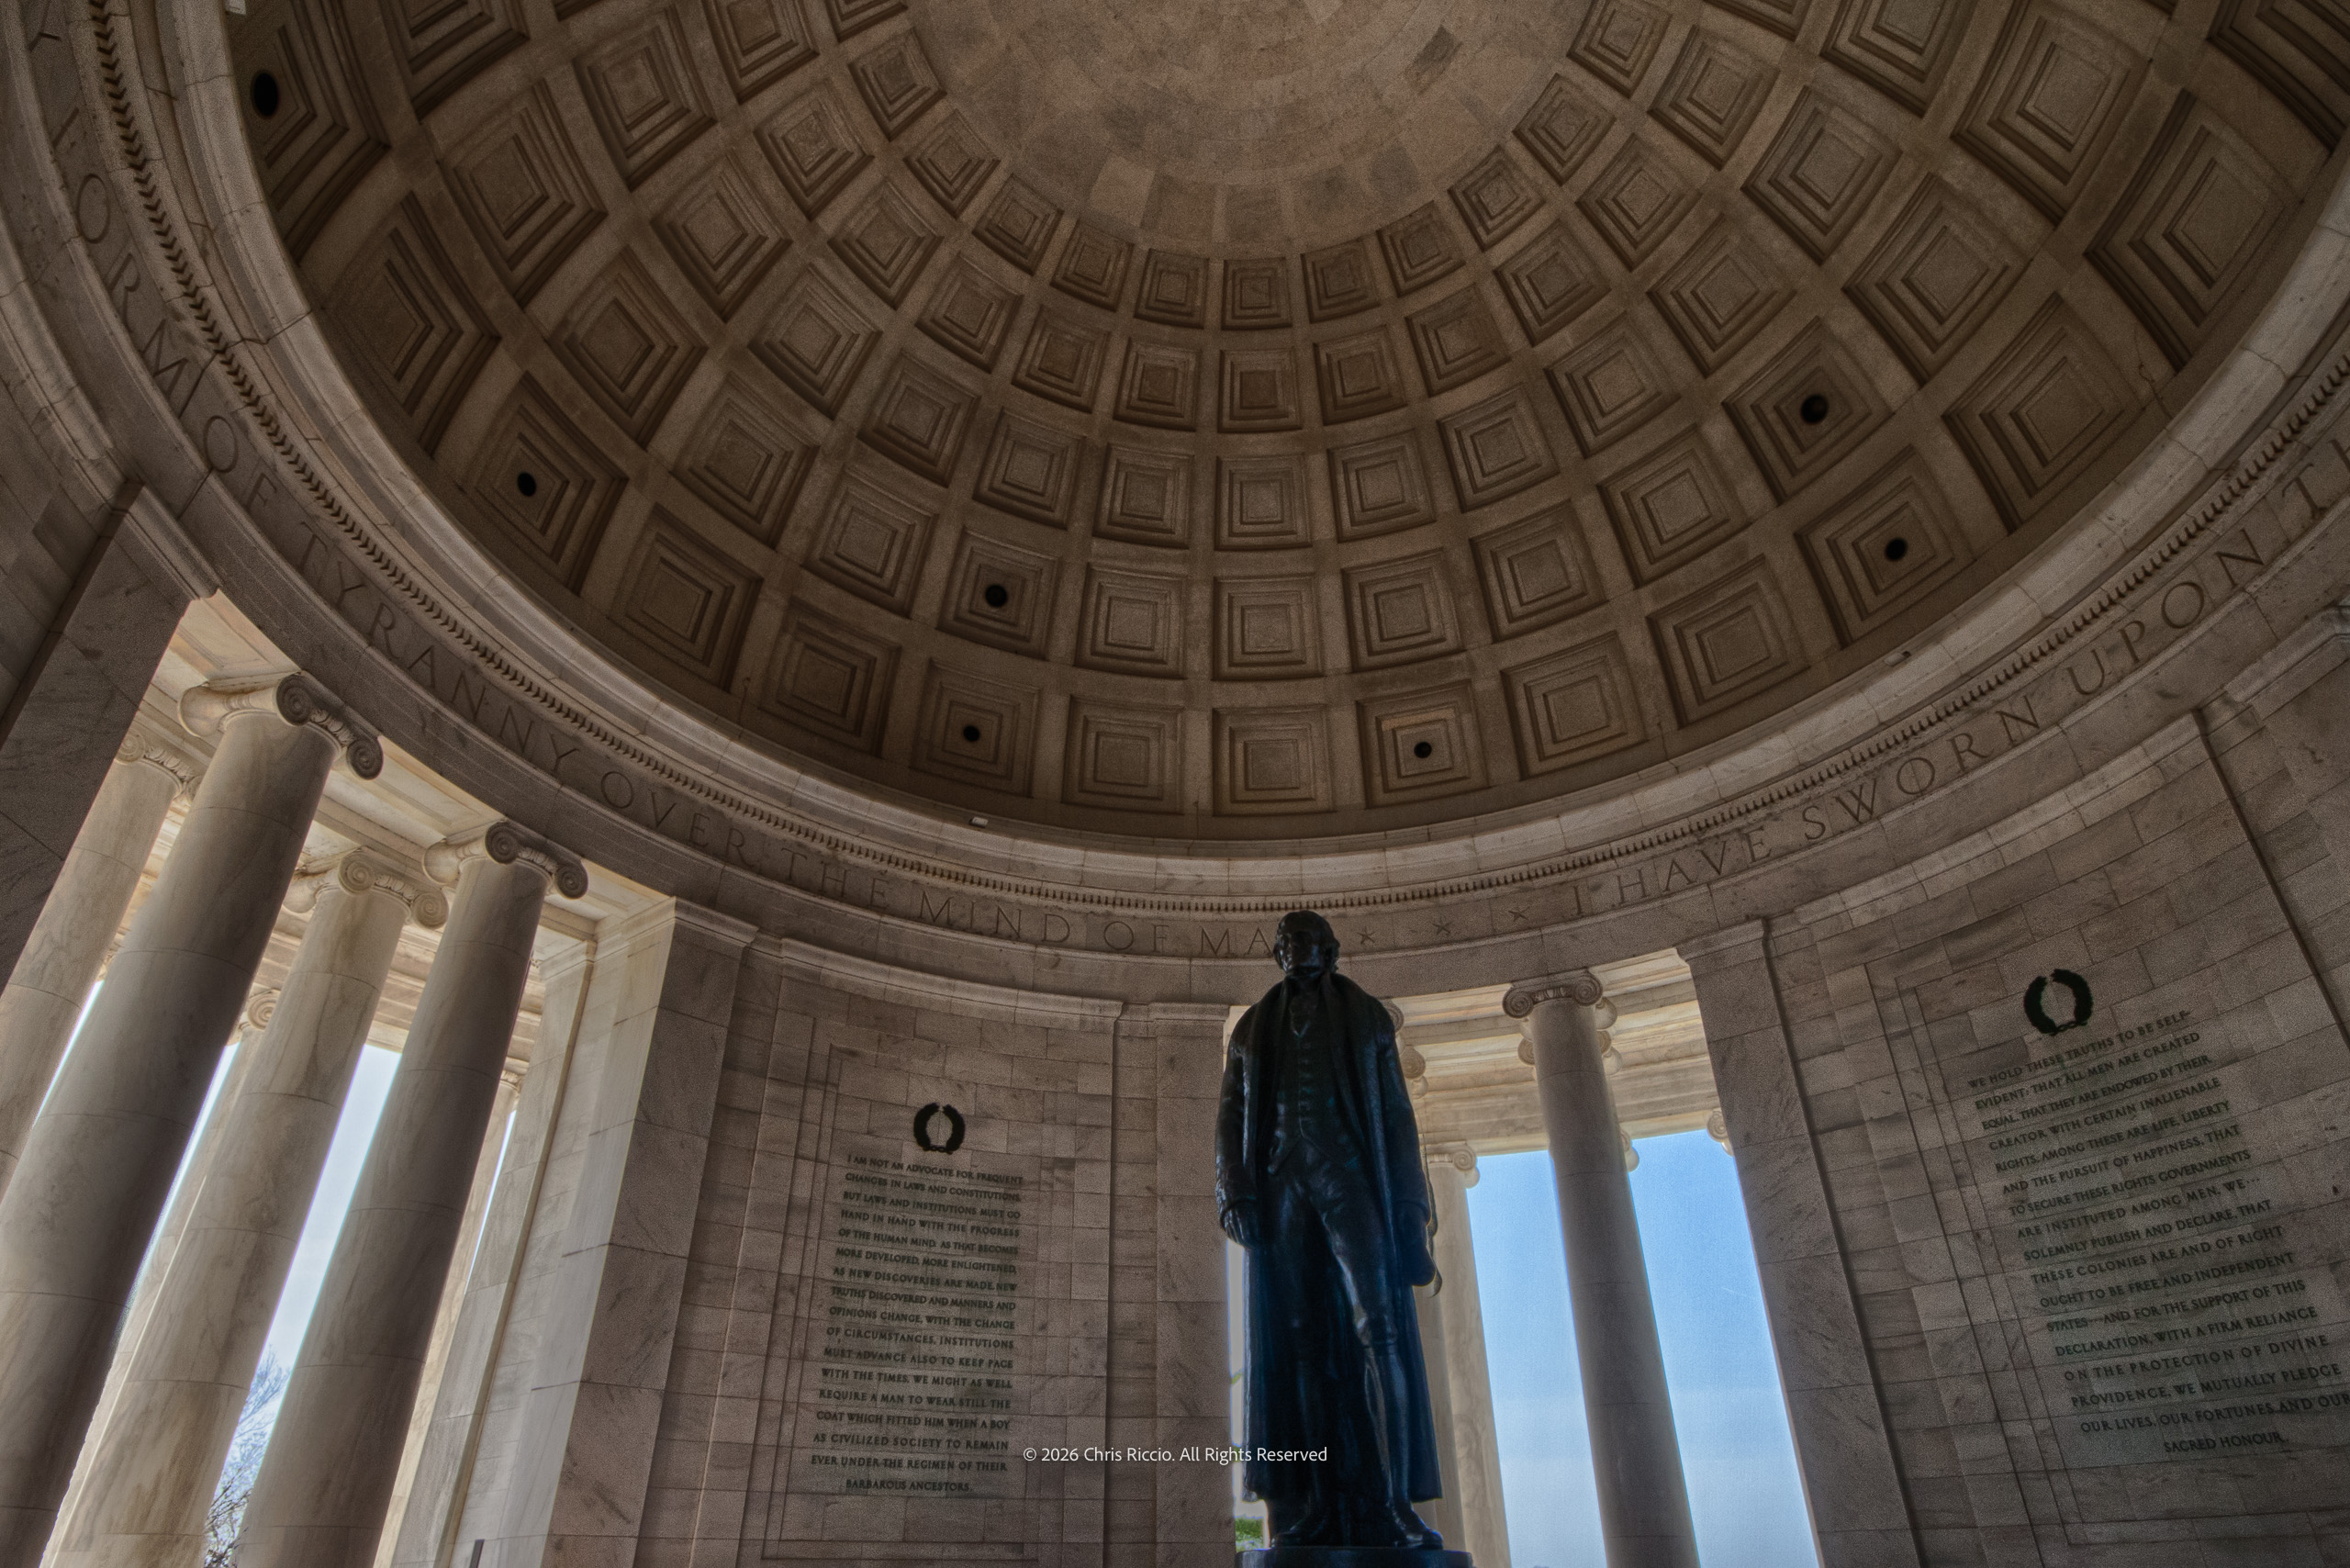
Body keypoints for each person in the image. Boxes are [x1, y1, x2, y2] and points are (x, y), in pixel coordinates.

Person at [1215, 910, 1445, 1550]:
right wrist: (1233, 1187)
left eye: (1309, 941)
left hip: (1349, 1178)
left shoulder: (1366, 1017)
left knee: (1382, 1330)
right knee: (1301, 1345)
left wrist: (1410, 1210)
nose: (1297, 950)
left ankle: (1394, 1501)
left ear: (1331, 950)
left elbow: (1397, 1117)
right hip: (1284, 1182)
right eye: (1287, 943)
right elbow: (1231, 1114)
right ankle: (1314, 1502)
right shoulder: (1253, 1026)